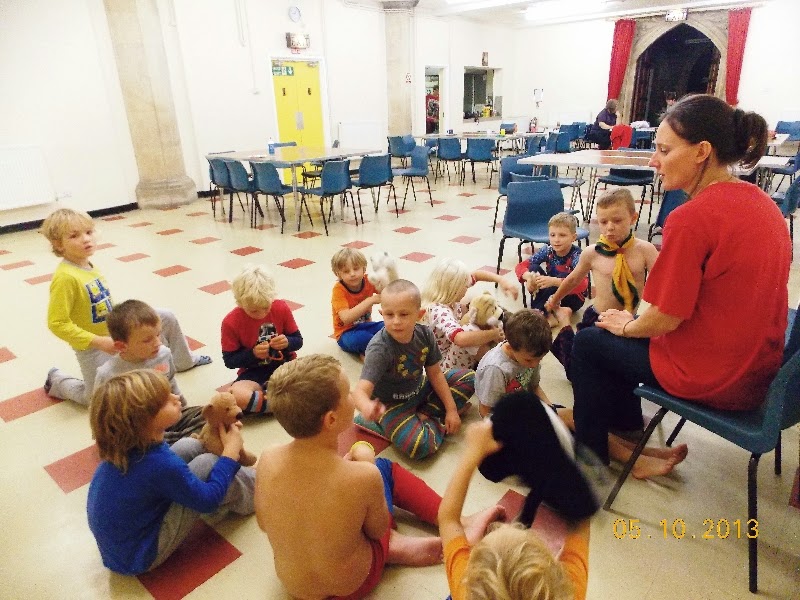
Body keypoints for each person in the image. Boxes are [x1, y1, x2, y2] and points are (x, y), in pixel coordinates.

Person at [569, 94, 791, 472]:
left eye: (664, 150)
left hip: (717, 377)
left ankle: (592, 462)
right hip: (761, 371)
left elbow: (666, 318)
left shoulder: (692, 218)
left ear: (702, 151)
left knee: (591, 341)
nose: (654, 161)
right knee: (617, 336)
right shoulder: (763, 202)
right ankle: (628, 439)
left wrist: (631, 325)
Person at [254, 354, 504, 600]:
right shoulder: (362, 475)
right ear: (331, 419)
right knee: (383, 468)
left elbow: (265, 524)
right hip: (355, 584)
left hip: (298, 589)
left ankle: (399, 546)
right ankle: (445, 530)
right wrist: (365, 463)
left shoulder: (267, 458)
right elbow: (377, 529)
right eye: (348, 394)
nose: (354, 397)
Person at [87, 370, 255, 575]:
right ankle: (259, 488)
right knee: (207, 463)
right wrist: (230, 452)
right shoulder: (158, 464)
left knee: (188, 444)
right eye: (166, 401)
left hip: (122, 548)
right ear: (143, 420)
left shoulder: (132, 446)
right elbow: (207, 501)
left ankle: (244, 477)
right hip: (140, 556)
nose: (176, 398)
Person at [41, 208, 211, 406]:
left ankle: (184, 361)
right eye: (74, 236)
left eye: (88, 232)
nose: (86, 239)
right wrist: (99, 341)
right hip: (93, 347)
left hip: (116, 331)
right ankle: (57, 380)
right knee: (94, 398)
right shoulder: (65, 278)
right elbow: (57, 323)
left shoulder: (87, 264)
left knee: (166, 317)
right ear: (58, 244)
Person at [439, 420, 590, 600]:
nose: (505, 526)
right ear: (555, 572)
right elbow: (582, 523)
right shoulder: (569, 593)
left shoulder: (465, 593)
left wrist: (472, 453)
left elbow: (448, 519)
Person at [352, 279, 475, 459]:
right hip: (391, 405)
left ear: (419, 314)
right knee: (419, 446)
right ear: (381, 314)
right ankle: (428, 419)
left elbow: (435, 374)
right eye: (389, 314)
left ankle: (423, 415)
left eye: (404, 314)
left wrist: (451, 410)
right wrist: (367, 407)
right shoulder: (379, 348)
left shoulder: (425, 334)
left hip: (419, 390)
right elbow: (359, 391)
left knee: (470, 377)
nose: (396, 321)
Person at [546, 189, 658, 375]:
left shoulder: (645, 250)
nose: (610, 227)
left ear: (633, 217)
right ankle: (565, 321)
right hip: (597, 318)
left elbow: (663, 284)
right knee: (577, 371)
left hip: (627, 321)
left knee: (614, 371)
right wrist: (555, 299)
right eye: (603, 222)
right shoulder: (593, 252)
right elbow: (573, 279)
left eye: (617, 220)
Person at [94, 299, 205, 442]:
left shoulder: (163, 354)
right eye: (147, 340)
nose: (158, 343)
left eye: (158, 335)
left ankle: (181, 442)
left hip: (168, 417)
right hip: (138, 431)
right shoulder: (108, 374)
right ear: (121, 346)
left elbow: (171, 384)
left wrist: (183, 408)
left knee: (209, 415)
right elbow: (101, 416)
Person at [221, 264, 303, 414]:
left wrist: (287, 342)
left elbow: (298, 340)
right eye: (253, 310)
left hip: (286, 366)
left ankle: (270, 402)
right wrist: (253, 354)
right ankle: (284, 402)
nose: (261, 314)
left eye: (266, 307)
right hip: (253, 373)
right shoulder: (230, 322)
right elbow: (230, 361)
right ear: (240, 303)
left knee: (316, 378)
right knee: (237, 395)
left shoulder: (281, 307)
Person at [422, 258, 518, 371]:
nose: (467, 289)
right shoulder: (439, 311)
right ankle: (497, 366)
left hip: (454, 354)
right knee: (470, 331)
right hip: (444, 367)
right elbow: (460, 339)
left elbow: (476, 275)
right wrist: (493, 333)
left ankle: (499, 357)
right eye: (465, 286)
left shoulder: (450, 300)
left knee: (482, 310)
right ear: (455, 288)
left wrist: (502, 280)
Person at [474, 309, 553, 418]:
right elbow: (485, 410)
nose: (534, 365)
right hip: (501, 413)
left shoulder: (531, 354)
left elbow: (534, 386)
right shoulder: (496, 369)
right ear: (510, 347)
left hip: (520, 401)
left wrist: (551, 408)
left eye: (540, 359)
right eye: (529, 360)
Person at [516, 212, 588, 327]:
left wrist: (554, 281)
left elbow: (583, 284)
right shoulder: (548, 250)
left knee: (558, 280)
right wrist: (529, 277)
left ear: (573, 237)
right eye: (552, 235)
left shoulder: (577, 255)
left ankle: (539, 314)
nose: (556, 240)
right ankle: (549, 314)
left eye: (562, 235)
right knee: (533, 268)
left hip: (573, 297)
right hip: (551, 293)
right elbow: (521, 266)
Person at [330, 248, 383, 358]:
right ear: (338, 274)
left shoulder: (369, 280)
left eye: (356, 269)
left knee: (388, 327)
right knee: (364, 338)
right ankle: (371, 352)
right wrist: (370, 300)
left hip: (366, 325)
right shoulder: (338, 290)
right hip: (345, 333)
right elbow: (346, 318)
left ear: (364, 268)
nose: (352, 274)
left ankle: (372, 350)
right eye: (346, 271)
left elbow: (387, 293)